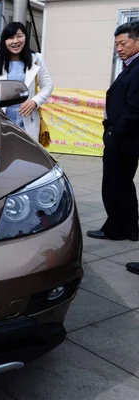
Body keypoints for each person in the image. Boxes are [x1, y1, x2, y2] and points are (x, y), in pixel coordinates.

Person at [87, 21, 139, 247]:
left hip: (124, 139)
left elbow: (134, 108)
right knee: (124, 183)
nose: (118, 48)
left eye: (123, 43)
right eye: (116, 44)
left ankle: (116, 229)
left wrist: (114, 133)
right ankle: (130, 227)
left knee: (114, 184)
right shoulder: (131, 65)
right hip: (124, 137)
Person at [0, 22, 54, 142]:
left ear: (25, 37)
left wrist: (35, 102)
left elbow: (48, 85)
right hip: (1, 122)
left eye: (19, 36)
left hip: (27, 122)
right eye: (10, 37)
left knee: (27, 155)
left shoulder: (37, 60)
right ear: (4, 41)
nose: (15, 41)